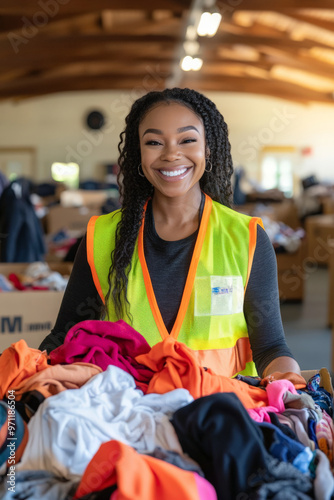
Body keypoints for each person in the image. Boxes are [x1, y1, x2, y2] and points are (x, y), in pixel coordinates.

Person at [39, 87, 300, 378]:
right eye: (154, 142)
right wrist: (22, 377)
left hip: (222, 415)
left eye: (187, 139)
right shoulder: (101, 238)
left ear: (207, 148)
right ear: (139, 153)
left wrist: (291, 384)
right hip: (130, 416)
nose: (172, 154)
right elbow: (65, 337)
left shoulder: (247, 239)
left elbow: (271, 347)